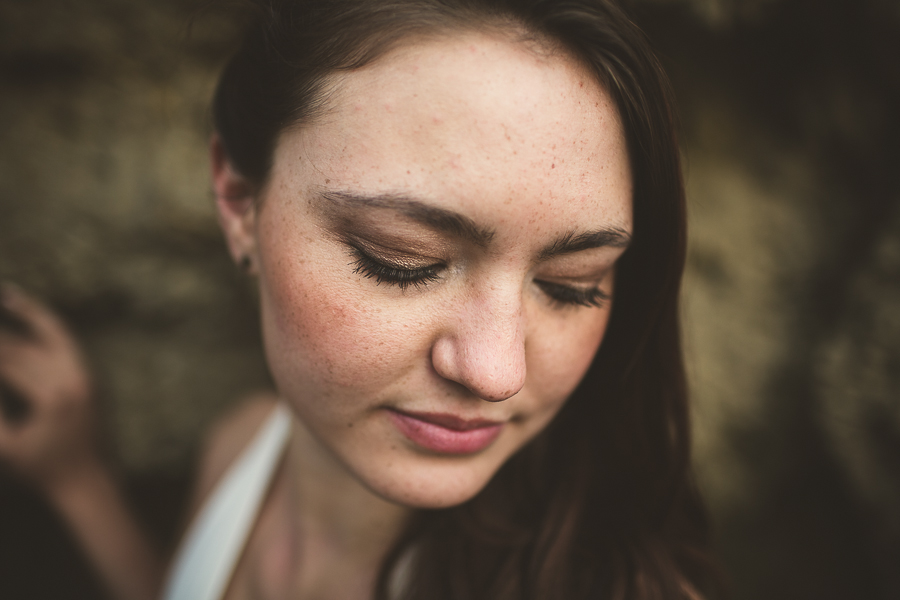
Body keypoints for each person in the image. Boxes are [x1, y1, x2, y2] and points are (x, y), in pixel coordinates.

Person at [0, 0, 720, 598]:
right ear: (240, 200)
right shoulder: (243, 447)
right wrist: (80, 485)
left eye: (572, 285)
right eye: (402, 260)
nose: (497, 374)